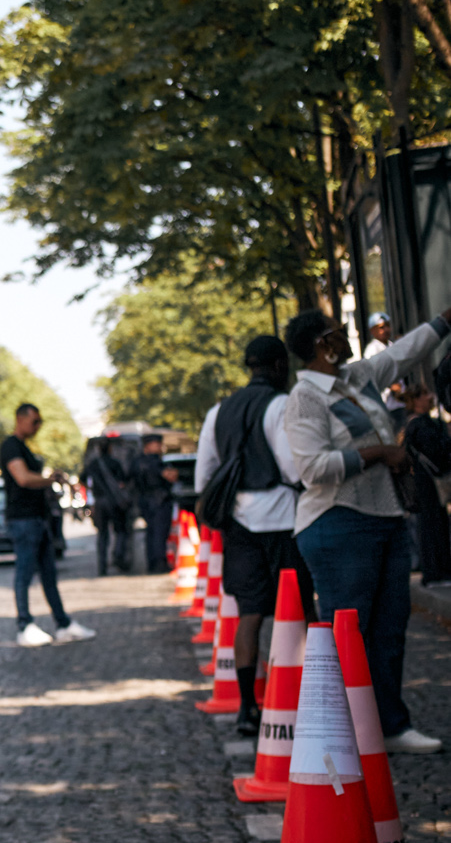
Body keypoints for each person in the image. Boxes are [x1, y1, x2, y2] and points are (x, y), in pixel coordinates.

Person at [284, 305, 451, 753]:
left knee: (390, 629)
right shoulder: (305, 399)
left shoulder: (356, 378)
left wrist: (442, 322)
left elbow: (401, 353)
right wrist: (378, 453)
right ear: (319, 345)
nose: (343, 336)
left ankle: (389, 727)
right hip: (338, 522)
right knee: (349, 635)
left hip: (385, 518)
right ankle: (342, 736)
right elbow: (312, 469)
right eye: (334, 332)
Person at [193, 335, 306, 738]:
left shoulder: (217, 411)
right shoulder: (279, 404)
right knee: (295, 612)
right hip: (282, 519)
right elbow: (293, 470)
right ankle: (303, 701)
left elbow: (203, 474)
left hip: (237, 523)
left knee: (249, 614)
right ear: (279, 366)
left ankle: (247, 707)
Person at [0, 403, 93, 647]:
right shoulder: (10, 446)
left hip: (37, 519)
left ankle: (63, 624)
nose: (38, 427)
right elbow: (22, 478)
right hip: (23, 520)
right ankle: (25, 625)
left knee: (49, 574)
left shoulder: (22, 447)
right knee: (24, 573)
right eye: (35, 422)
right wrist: (49, 479)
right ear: (21, 419)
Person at [402, 381, 451, 586]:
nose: (429, 396)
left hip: (426, 483)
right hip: (427, 483)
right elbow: (439, 451)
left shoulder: (418, 424)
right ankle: (436, 570)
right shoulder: (420, 426)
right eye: (423, 394)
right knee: (433, 526)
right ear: (415, 400)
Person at [81, 434, 135, 574]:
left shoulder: (93, 464)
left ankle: (102, 566)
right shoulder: (115, 463)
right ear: (110, 448)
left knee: (102, 534)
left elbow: (83, 479)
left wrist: (92, 490)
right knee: (121, 531)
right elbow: (124, 481)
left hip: (100, 503)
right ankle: (118, 555)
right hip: (115, 502)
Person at [136, 432, 177, 574]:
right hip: (159, 500)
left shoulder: (137, 462)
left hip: (145, 501)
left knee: (151, 532)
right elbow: (170, 476)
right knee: (159, 532)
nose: (160, 447)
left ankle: (152, 563)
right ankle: (160, 563)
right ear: (149, 446)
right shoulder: (155, 462)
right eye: (157, 444)